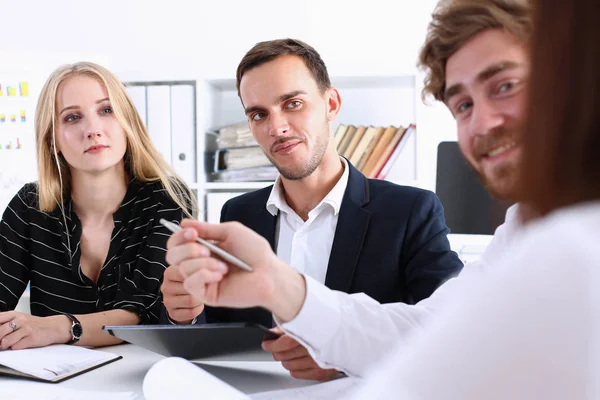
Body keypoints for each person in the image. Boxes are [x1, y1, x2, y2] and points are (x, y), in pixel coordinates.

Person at [167, 0, 600, 396]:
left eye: (504, 86)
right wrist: (272, 286)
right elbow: (431, 330)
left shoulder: (422, 211)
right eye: (462, 105)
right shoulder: (527, 227)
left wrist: (333, 358)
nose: (482, 123)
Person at [161, 39, 464, 380]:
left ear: (331, 104)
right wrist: (186, 313)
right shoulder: (240, 213)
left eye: (292, 103)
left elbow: (454, 333)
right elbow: (220, 333)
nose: (277, 128)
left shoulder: (410, 211)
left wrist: (348, 357)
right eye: (259, 114)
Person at [0, 62, 195, 350]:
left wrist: (56, 326)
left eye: (106, 110)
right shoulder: (29, 206)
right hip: (54, 384)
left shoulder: (167, 198)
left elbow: (144, 315)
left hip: (142, 377)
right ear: (52, 140)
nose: (93, 129)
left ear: (126, 122)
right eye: (72, 117)